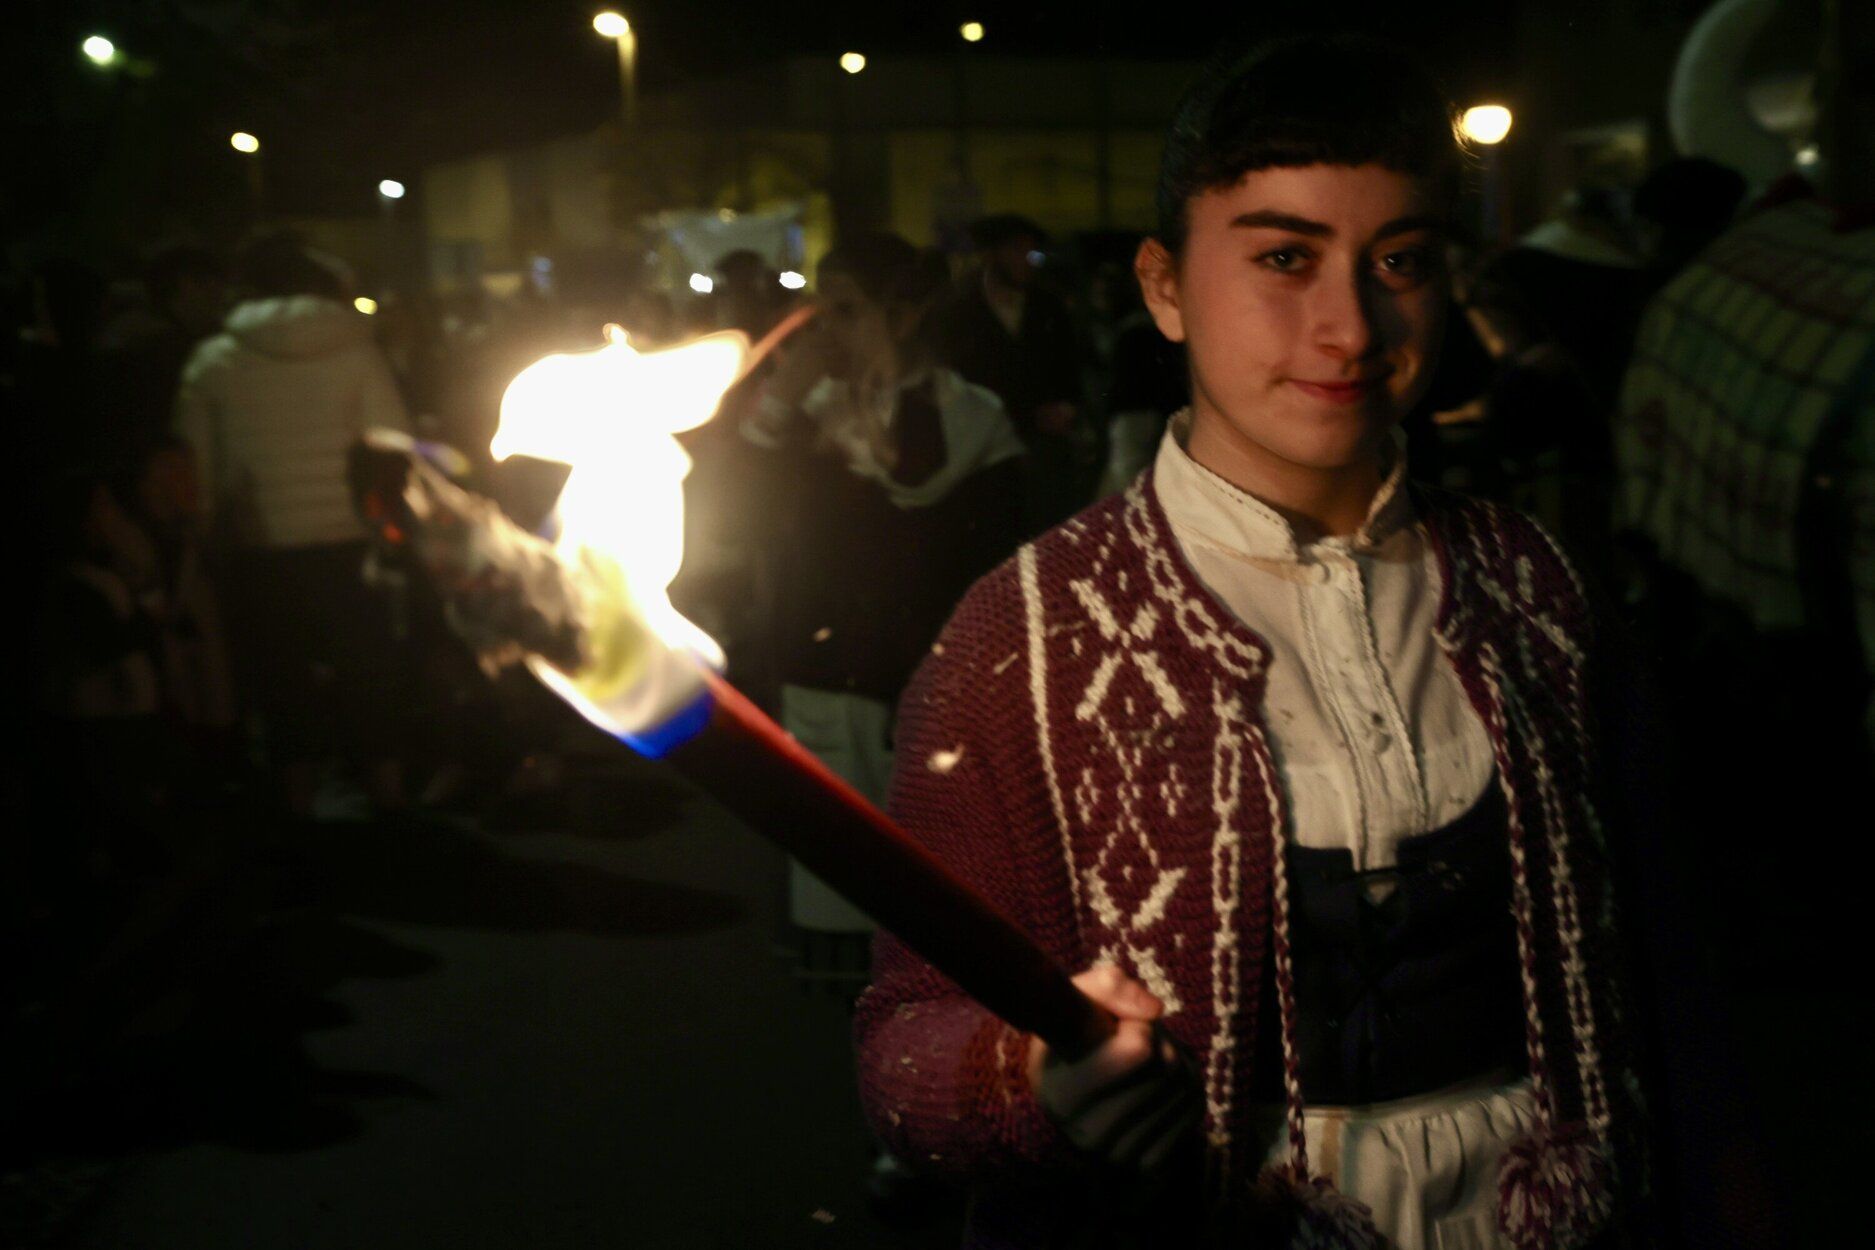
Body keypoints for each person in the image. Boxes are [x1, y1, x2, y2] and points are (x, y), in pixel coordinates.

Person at [856, 35, 1658, 1250]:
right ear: (1165, 286)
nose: (1349, 325)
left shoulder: (1535, 585)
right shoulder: (1021, 638)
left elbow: (1665, 963)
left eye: (1400, 260)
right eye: (1285, 257)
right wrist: (1031, 1080)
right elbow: (905, 1030)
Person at [741, 233, 1027, 947]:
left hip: (929, 674)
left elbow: (963, 530)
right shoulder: (813, 411)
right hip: (823, 662)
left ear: (903, 316)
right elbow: (738, 508)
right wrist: (779, 402)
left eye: (845, 312)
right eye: (819, 312)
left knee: (937, 887)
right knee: (840, 876)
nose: (824, 333)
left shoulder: (972, 417)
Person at [175, 230, 410, 815]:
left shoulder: (213, 360)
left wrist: (205, 531)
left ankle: (297, 806)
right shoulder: (357, 351)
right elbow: (392, 445)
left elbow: (192, 466)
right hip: (349, 540)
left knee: (280, 679)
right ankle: (389, 796)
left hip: (260, 545)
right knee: (366, 669)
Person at [937, 214, 1094, 534]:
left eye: (1031, 251)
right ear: (992, 254)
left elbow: (1070, 366)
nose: (1027, 261)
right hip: (983, 447)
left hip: (1042, 445)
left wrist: (1067, 407)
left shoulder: (1048, 305)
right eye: (1018, 250)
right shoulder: (958, 309)